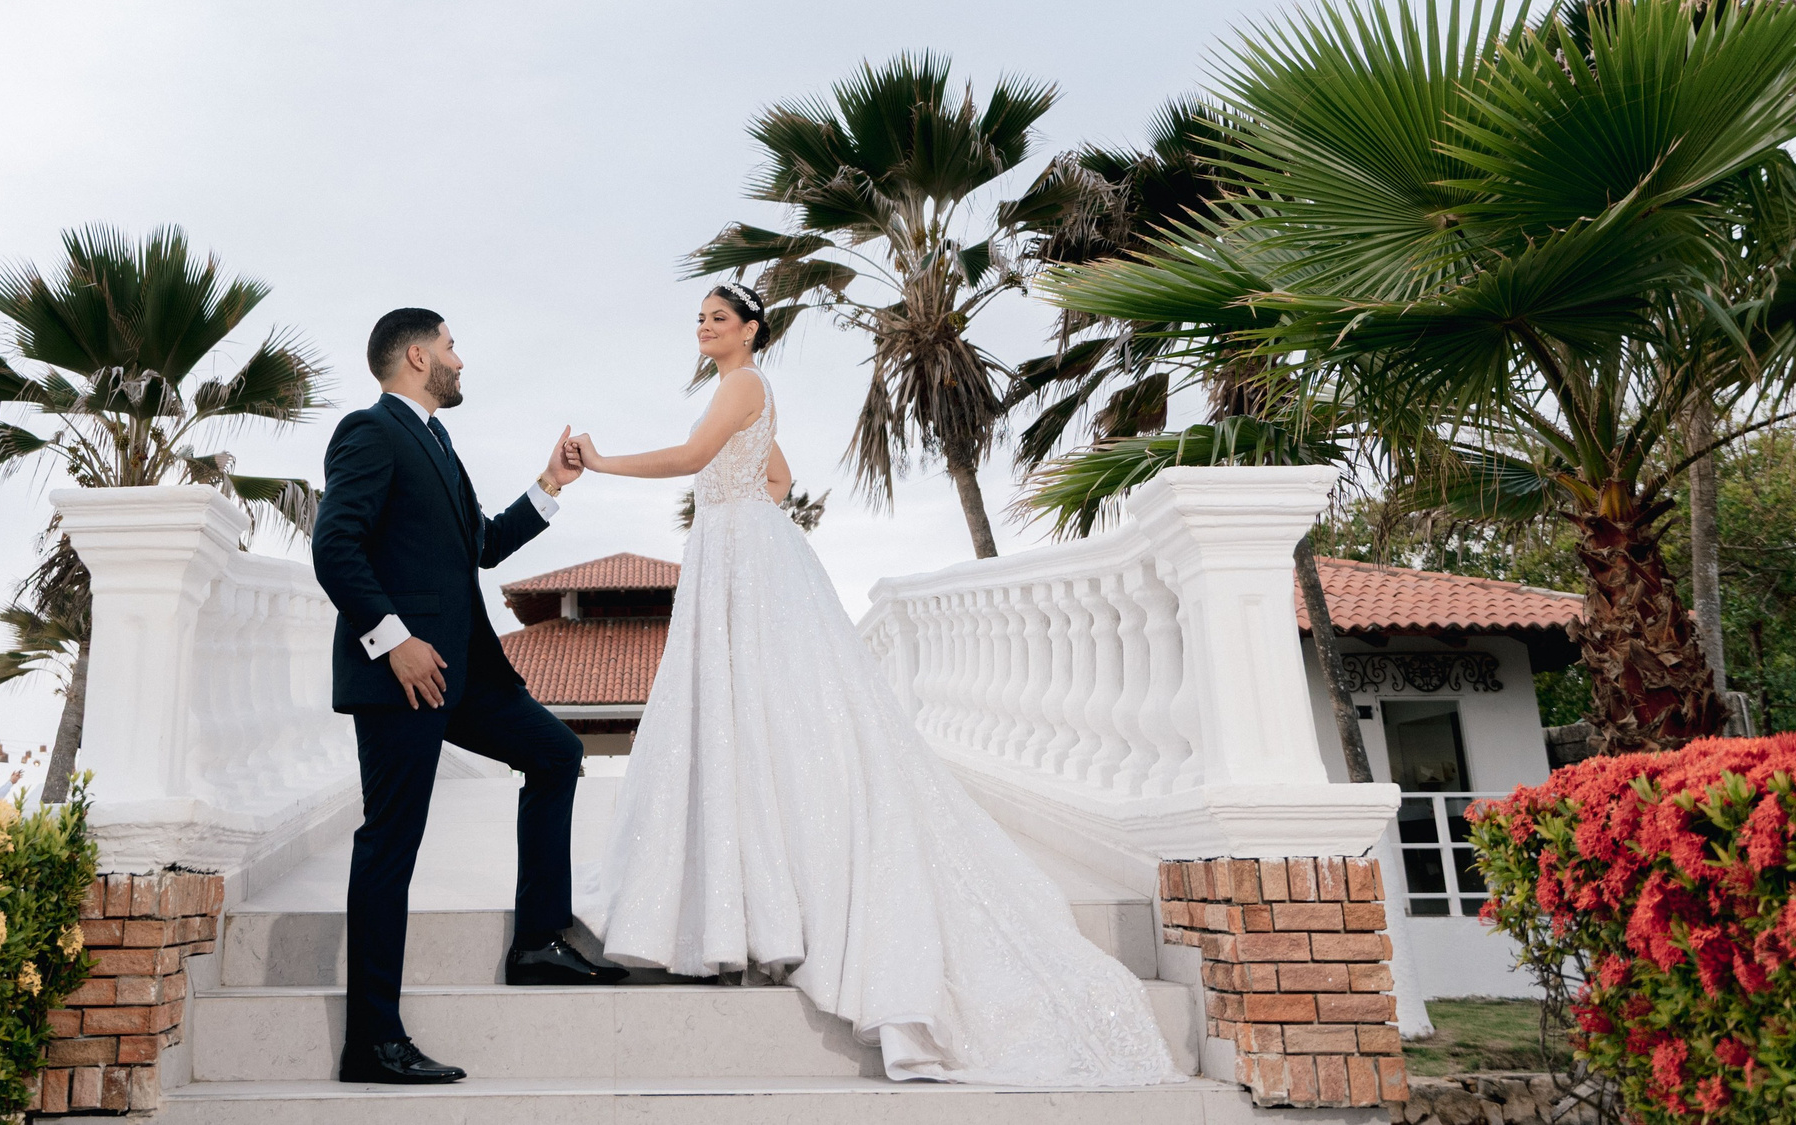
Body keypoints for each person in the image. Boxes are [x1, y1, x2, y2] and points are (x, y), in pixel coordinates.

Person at [564, 284, 1181, 1087]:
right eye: (701, 318)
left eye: (719, 318)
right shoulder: (744, 395)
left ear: (751, 329)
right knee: (750, 718)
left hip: (741, 554)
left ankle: (752, 910)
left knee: (752, 713)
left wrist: (605, 460)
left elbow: (691, 461)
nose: (705, 327)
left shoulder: (745, 382)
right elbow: (777, 477)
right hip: (744, 548)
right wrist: (740, 502)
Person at [310, 308, 627, 1088]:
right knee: (391, 846)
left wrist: (551, 483)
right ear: (418, 356)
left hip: (462, 674)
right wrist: (394, 638)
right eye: (451, 345)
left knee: (556, 752)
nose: (460, 357)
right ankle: (373, 1041)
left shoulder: (436, 440)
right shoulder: (369, 430)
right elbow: (333, 545)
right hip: (401, 678)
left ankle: (539, 941)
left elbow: (479, 544)